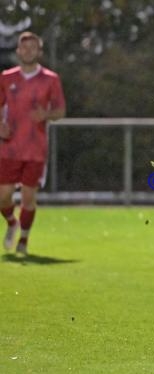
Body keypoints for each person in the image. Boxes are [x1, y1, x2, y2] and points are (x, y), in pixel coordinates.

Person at [0, 31, 66, 255]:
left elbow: (60, 111)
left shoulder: (51, 79)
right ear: (18, 51)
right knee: (3, 196)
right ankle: (11, 222)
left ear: (40, 51)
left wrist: (46, 115)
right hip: (9, 147)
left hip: (35, 149)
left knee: (28, 197)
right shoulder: (6, 78)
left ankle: (24, 242)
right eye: (24, 47)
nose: (28, 51)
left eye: (32, 47)